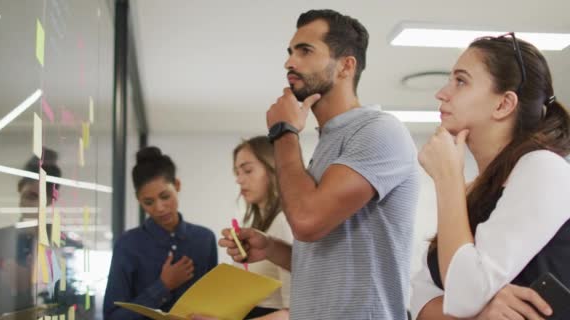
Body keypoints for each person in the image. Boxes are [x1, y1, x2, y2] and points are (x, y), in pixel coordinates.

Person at [219, 9, 419, 320]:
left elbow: (307, 221)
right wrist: (271, 247)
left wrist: (283, 132)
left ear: (346, 66)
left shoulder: (378, 131)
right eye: (290, 52)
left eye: (305, 51)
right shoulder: (326, 144)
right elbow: (327, 256)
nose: (289, 62)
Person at [411, 32, 570, 320]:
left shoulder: (544, 168)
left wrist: (448, 179)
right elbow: (421, 302)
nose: (442, 93)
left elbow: (462, 296)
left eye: (461, 81)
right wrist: (479, 312)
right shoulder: (475, 192)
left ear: (503, 105)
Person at [103, 147, 218, 320]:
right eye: (148, 202)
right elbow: (113, 317)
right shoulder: (127, 244)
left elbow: (214, 303)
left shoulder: (204, 239)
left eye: (165, 196)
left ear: (177, 185)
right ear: (138, 199)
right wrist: (163, 286)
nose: (159, 208)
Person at [0, 148, 63, 316]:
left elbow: (69, 301)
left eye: (41, 199)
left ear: (50, 200)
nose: (33, 205)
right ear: (19, 189)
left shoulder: (61, 243)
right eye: (30, 196)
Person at [233, 136, 292, 319]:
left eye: (248, 170)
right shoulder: (254, 229)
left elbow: (295, 312)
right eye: (236, 173)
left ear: (273, 168)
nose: (239, 180)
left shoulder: (284, 221)